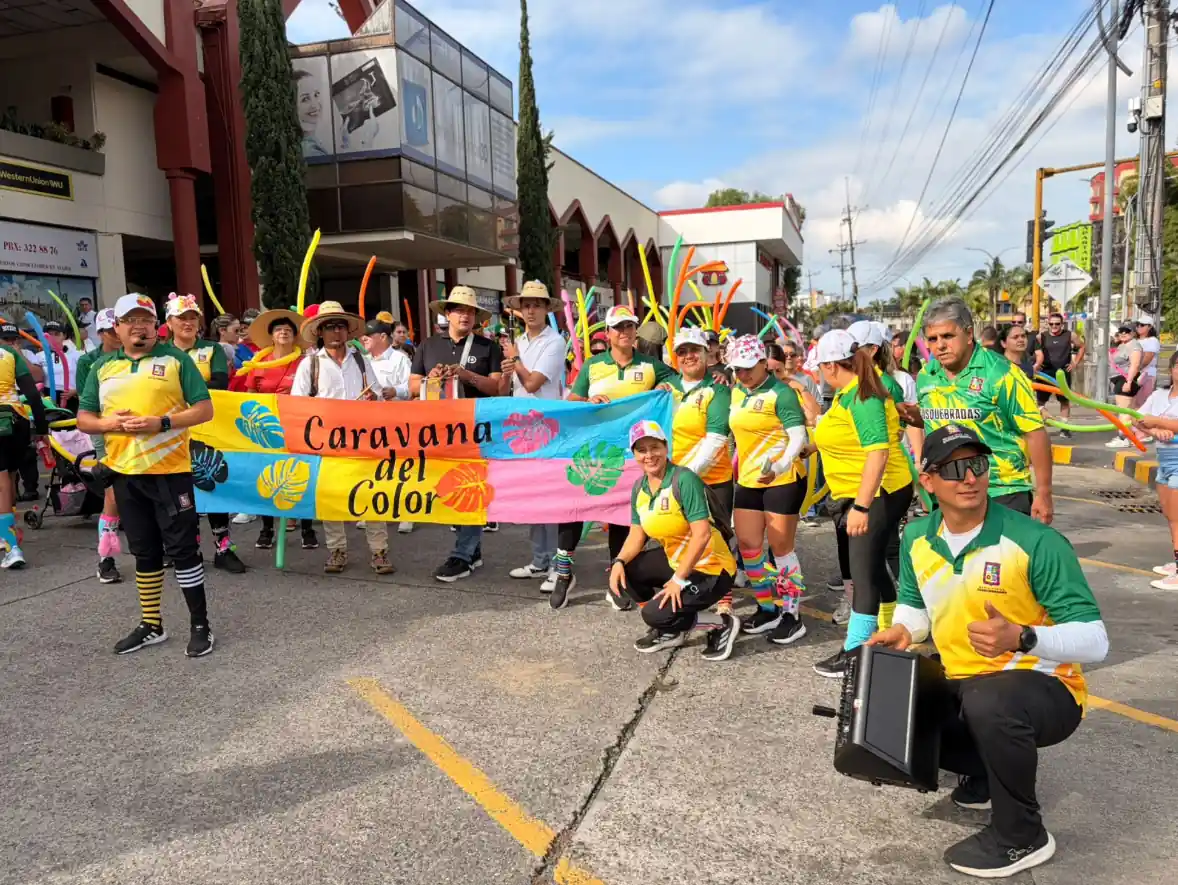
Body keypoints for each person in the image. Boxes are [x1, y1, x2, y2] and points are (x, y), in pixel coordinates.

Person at [869, 424, 1107, 879]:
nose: (969, 477)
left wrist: (1023, 636)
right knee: (893, 703)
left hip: (1047, 689)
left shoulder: (1034, 541)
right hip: (969, 682)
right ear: (928, 481)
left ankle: (1022, 836)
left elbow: (1095, 640)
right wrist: (903, 630)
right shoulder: (917, 537)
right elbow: (916, 606)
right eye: (954, 468)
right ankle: (982, 774)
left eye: (977, 464)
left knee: (988, 700)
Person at [76, 294, 218, 657]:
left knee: (184, 550)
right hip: (125, 474)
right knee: (144, 551)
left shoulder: (176, 360)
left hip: (170, 473)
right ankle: (152, 624)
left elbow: (205, 409)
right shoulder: (102, 367)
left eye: (145, 319)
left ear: (157, 326)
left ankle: (200, 625)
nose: (138, 326)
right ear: (117, 328)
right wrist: (111, 424)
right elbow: (85, 418)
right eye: (130, 320)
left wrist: (163, 422)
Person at [556, 304, 675, 608]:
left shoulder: (650, 364)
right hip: (593, 451)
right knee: (574, 508)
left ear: (636, 331)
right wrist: (588, 400)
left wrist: (666, 385)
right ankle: (564, 574)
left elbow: (679, 381)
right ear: (607, 333)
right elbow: (573, 402)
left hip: (632, 455)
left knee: (622, 515)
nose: (624, 332)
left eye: (629, 326)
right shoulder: (593, 365)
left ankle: (615, 580)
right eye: (618, 327)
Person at [809, 329, 913, 677]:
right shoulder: (847, 394)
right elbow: (844, 437)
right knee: (874, 565)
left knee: (863, 572)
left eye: (820, 368)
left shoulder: (863, 397)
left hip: (875, 493)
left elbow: (878, 454)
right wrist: (809, 448)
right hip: (867, 491)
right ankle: (886, 637)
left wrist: (862, 507)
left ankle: (854, 656)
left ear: (830, 366)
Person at [608, 420, 740, 661]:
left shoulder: (683, 480)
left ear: (665, 447)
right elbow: (637, 533)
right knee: (625, 573)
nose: (649, 455)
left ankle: (721, 623)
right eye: (642, 450)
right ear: (634, 454)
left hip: (711, 568)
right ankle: (671, 628)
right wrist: (618, 561)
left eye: (654, 447)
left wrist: (678, 581)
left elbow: (702, 534)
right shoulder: (640, 487)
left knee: (653, 615)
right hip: (676, 560)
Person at [918, 298, 1053, 523]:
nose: (940, 345)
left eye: (948, 336)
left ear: (969, 334)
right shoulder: (926, 376)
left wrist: (1044, 493)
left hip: (1001, 492)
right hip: (948, 492)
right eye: (933, 339)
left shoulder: (1002, 374)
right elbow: (936, 421)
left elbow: (1035, 433)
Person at [409, 286, 506, 582]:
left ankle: (463, 554)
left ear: (476, 316)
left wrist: (467, 376)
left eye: (470, 311)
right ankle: (472, 549)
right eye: (459, 310)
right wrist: (432, 378)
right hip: (440, 429)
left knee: (471, 486)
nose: (465, 315)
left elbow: (498, 387)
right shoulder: (428, 345)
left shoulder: (488, 347)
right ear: (447, 314)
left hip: (476, 428)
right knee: (449, 487)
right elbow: (413, 387)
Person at [292, 301, 393, 575]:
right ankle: (336, 550)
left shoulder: (361, 361)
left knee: (372, 494)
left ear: (348, 331)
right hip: (327, 442)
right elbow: (297, 406)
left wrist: (374, 398)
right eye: (329, 327)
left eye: (340, 327)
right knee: (330, 497)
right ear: (320, 332)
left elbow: (378, 397)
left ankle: (379, 551)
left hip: (362, 440)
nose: (336, 332)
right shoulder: (309, 364)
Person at [726, 334, 808, 645]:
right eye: (737, 369)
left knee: (781, 548)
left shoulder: (781, 393)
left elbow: (798, 437)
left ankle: (791, 615)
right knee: (748, 546)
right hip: (748, 479)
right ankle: (766, 607)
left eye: (748, 368)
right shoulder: (736, 394)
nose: (743, 374)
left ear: (764, 363)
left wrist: (781, 464)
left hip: (782, 480)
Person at [164, 294, 246, 574]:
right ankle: (188, 549)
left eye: (192, 318)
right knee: (180, 494)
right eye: (181, 318)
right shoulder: (161, 352)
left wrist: (176, 389)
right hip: (172, 433)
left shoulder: (212, 350)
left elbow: (220, 383)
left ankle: (223, 548)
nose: (188, 323)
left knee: (213, 486)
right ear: (169, 323)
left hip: (209, 430)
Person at [502, 281, 566, 592]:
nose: (530, 310)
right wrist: (510, 364)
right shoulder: (519, 341)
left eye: (536, 305)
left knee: (551, 499)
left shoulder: (554, 342)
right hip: (520, 428)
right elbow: (514, 386)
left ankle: (557, 564)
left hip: (546, 427)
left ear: (546, 309)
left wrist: (514, 359)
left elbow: (532, 384)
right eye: (526, 304)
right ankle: (540, 560)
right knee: (534, 498)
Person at [242, 308, 318, 552]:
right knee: (265, 475)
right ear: (272, 336)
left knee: (301, 474)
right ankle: (267, 529)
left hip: (298, 425)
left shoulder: (306, 362)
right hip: (265, 427)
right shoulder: (258, 363)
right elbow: (250, 393)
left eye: (288, 329)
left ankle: (307, 529)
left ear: (295, 336)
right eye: (278, 330)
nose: (283, 332)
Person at [75, 308, 125, 583]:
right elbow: (87, 403)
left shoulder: (142, 356)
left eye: (117, 328)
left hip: (139, 430)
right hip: (105, 431)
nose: (114, 335)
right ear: (101, 333)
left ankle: (160, 549)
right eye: (108, 331)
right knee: (112, 493)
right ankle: (107, 557)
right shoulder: (89, 362)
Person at [0, 321, 49, 569]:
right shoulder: (9, 354)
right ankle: (7, 536)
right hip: (16, 420)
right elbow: (32, 393)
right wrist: (42, 429)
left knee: (2, 483)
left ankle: (11, 546)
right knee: (8, 478)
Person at [1035, 313, 1084, 438]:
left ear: (1062, 324)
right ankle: (1040, 428)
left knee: (1064, 401)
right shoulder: (1042, 336)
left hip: (1062, 373)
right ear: (1048, 324)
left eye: (1057, 324)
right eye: (1051, 324)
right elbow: (1032, 350)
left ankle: (1064, 428)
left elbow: (1082, 346)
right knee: (1039, 401)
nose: (1054, 326)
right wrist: (1036, 363)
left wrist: (1075, 362)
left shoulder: (1069, 335)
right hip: (1046, 373)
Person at [1105, 325, 1143, 449]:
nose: (1123, 334)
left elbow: (1135, 364)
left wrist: (1129, 381)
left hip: (1125, 380)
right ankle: (1130, 435)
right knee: (1128, 410)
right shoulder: (1122, 345)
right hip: (1121, 380)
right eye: (1120, 332)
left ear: (1133, 333)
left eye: (1126, 331)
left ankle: (1123, 437)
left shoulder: (1134, 346)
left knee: (1124, 411)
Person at [29, 320, 81, 408]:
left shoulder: (76, 355)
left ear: (64, 336)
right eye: (49, 334)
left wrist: (75, 391)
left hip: (71, 396)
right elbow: (35, 379)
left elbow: (86, 378)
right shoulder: (38, 356)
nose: (52, 337)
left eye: (57, 334)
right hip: (47, 397)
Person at [1134, 314, 1161, 409]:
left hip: (1146, 374)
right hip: (1133, 374)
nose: (1138, 327)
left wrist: (1136, 369)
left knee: (1143, 403)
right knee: (1133, 402)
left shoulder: (1152, 341)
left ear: (1149, 327)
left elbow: (1148, 357)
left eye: (1142, 325)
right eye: (1137, 324)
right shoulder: (1135, 340)